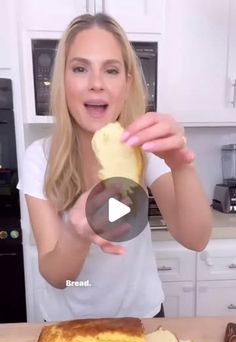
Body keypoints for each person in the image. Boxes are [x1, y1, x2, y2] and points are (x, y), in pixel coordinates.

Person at [18, 13, 212, 321]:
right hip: (70, 326)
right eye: (80, 69)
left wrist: (180, 164)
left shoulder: (143, 150)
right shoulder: (39, 157)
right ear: (63, 81)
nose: (96, 84)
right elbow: (56, 276)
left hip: (141, 319)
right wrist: (76, 234)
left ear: (127, 83)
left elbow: (196, 238)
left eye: (111, 70)